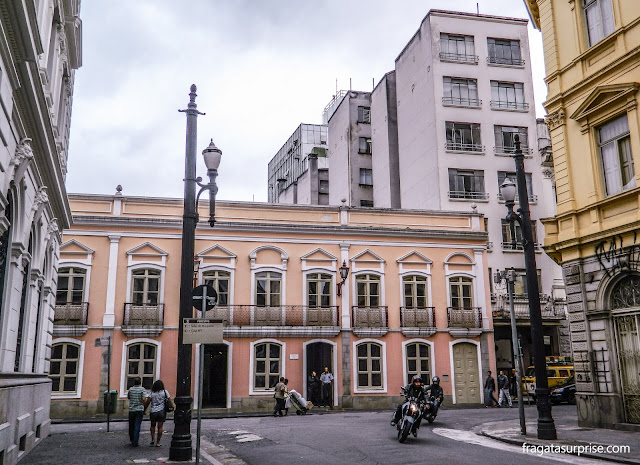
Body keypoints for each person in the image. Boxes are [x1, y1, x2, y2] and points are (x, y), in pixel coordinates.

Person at [148, 379, 173, 446]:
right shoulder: (165, 392)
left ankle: (152, 439)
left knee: (152, 425)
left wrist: (144, 409)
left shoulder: (152, 393)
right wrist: (173, 407)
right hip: (161, 411)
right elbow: (169, 400)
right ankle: (158, 442)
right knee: (160, 427)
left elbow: (148, 401)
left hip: (153, 411)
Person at [127, 377, 149, 447]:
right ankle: (135, 441)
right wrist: (144, 402)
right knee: (137, 425)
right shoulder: (142, 389)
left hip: (132, 409)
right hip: (139, 409)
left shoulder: (130, 389)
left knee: (131, 425)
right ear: (140, 382)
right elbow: (144, 399)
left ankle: (132, 438)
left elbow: (129, 397)